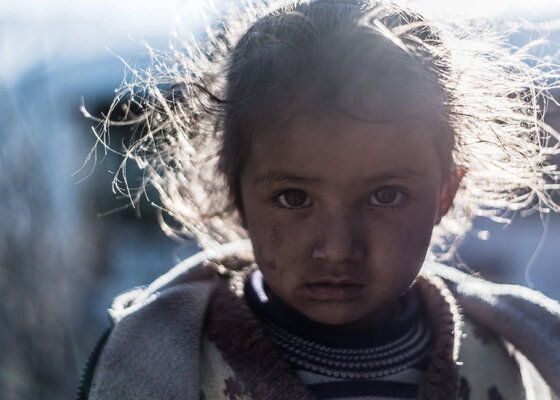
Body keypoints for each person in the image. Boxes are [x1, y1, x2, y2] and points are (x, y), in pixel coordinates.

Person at [78, 0, 560, 399]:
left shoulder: (507, 359)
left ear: (443, 195)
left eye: (385, 196)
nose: (336, 247)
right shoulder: (169, 362)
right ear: (236, 192)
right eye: (293, 198)